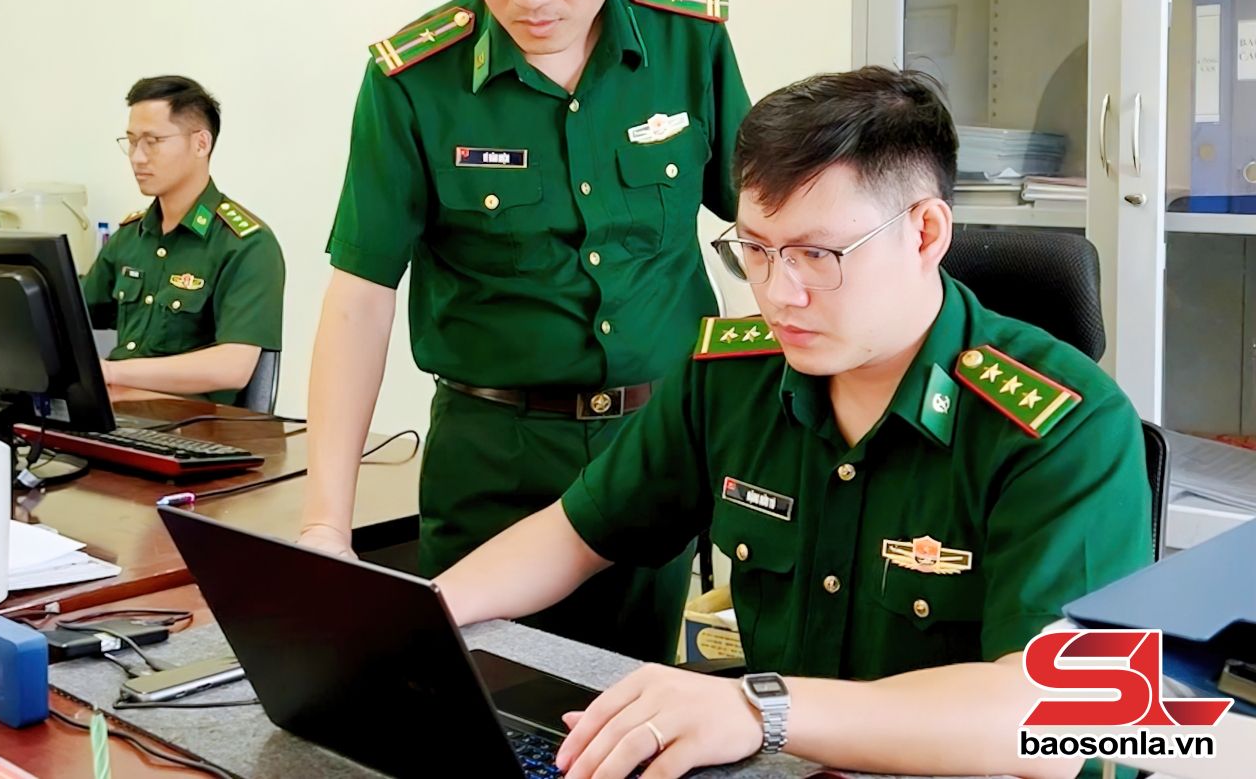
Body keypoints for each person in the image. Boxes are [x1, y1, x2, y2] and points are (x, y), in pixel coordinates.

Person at [435, 66, 1153, 779]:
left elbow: (1052, 709)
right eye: (755, 249)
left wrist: (761, 709)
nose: (780, 294)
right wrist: (425, 616)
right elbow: (575, 534)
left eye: (817, 255)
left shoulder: (1065, 428)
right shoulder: (733, 376)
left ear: (925, 232)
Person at [299, 0, 751, 661]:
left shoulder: (689, 43)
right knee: (476, 700)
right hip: (492, 462)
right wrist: (327, 523)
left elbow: (771, 230)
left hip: (655, 448)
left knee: (635, 701)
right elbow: (359, 298)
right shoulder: (413, 81)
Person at [83, 75, 284, 403]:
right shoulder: (130, 237)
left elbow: (233, 366)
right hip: (119, 416)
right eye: (131, 142)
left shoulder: (246, 244)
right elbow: (70, 314)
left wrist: (114, 373)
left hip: (194, 425)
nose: (137, 157)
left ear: (201, 144)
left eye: (153, 141)